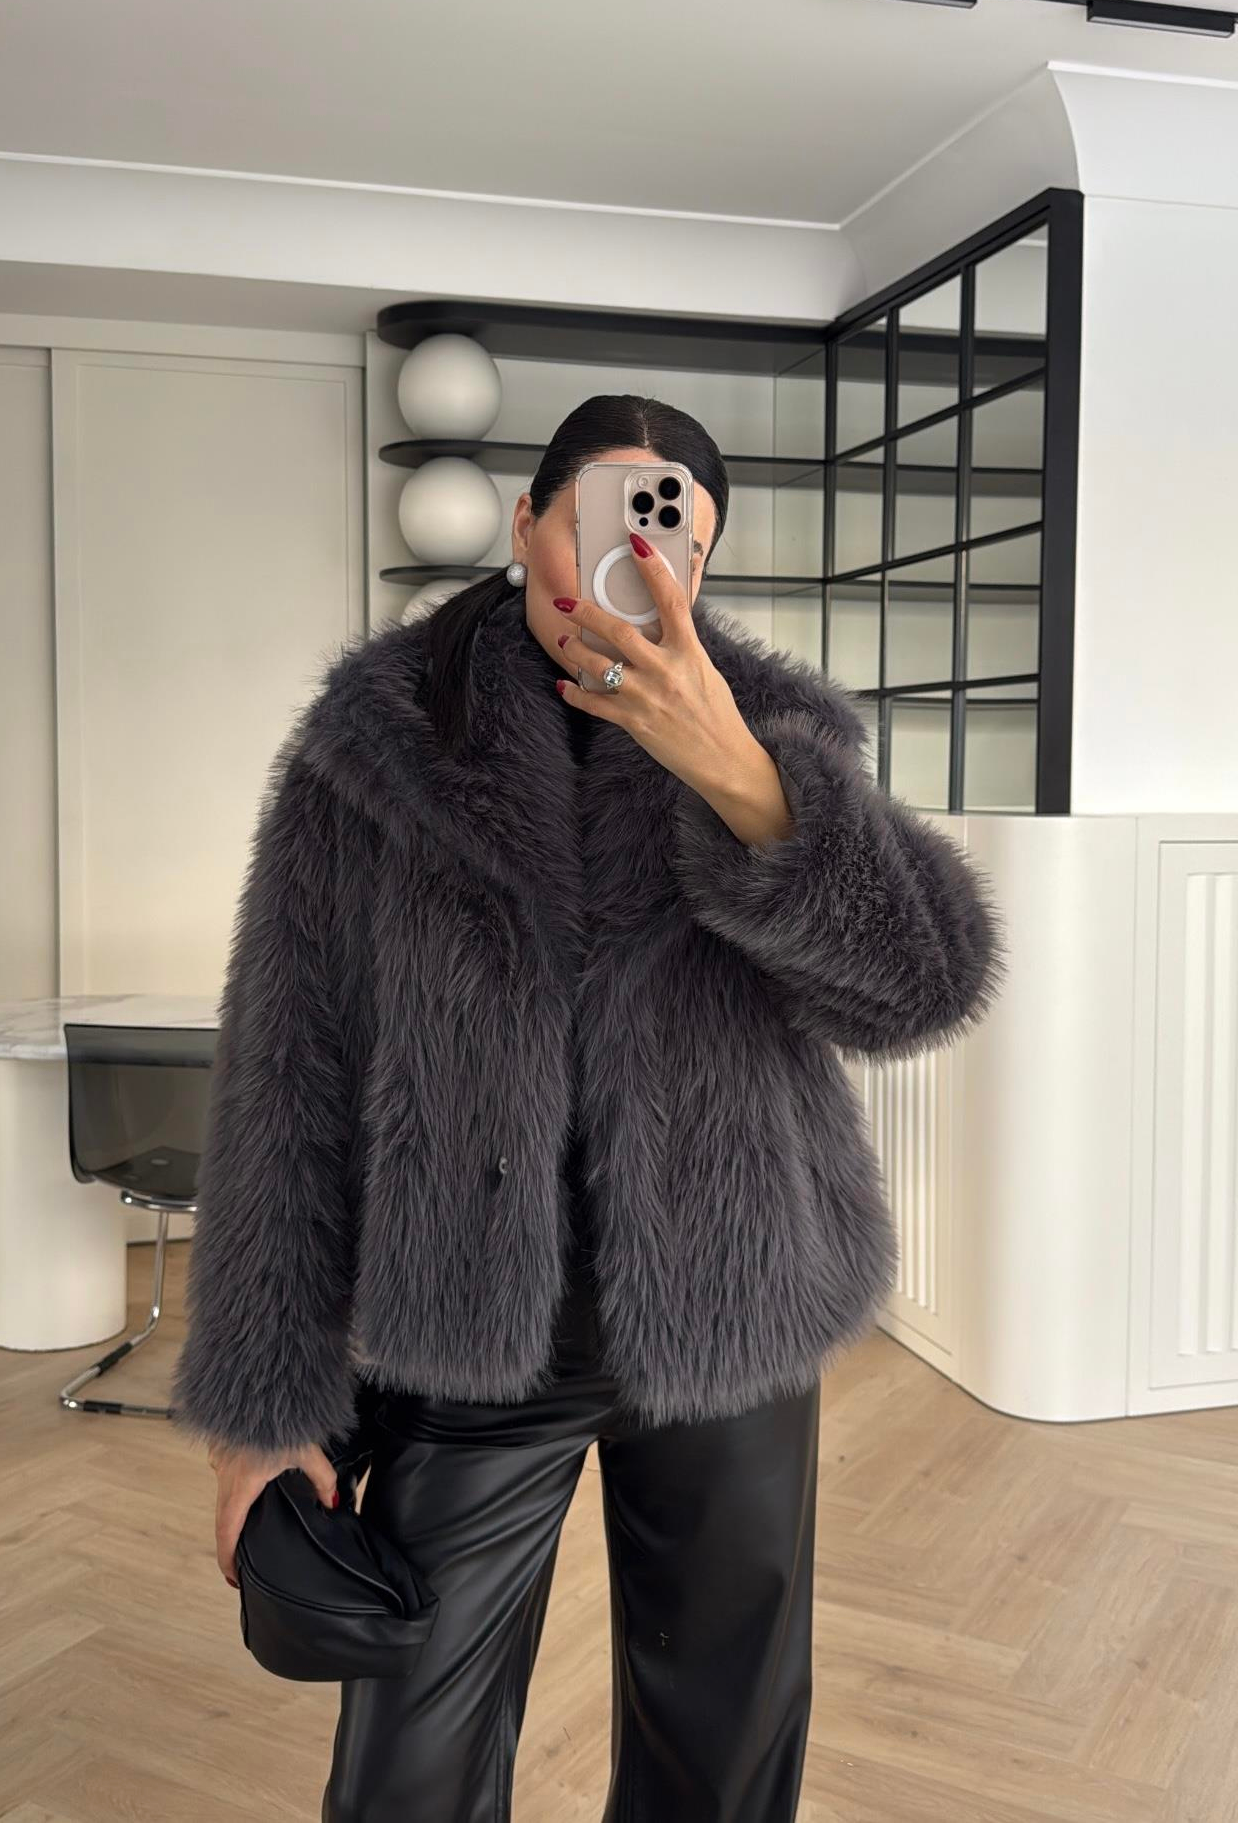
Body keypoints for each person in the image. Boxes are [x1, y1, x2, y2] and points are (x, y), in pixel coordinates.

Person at [170, 393, 1008, 1821]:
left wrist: (744, 782)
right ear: (527, 523)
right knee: (411, 1771)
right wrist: (263, 1406)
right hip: (469, 1323)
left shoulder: (772, 728)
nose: (639, 560)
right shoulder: (375, 744)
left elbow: (926, 986)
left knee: (721, 1754)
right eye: (610, 518)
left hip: (736, 1300)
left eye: (679, 536)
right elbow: (281, 1069)